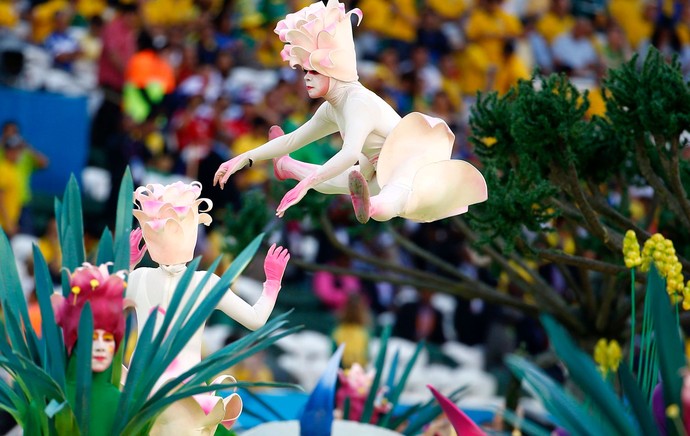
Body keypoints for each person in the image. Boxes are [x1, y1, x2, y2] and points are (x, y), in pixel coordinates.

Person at [214, 0, 487, 224]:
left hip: (413, 172)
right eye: (305, 71)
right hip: (375, 173)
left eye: (314, 71)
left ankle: (369, 206)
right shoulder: (332, 108)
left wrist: (305, 186)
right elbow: (292, 140)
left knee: (383, 191)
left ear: (332, 71)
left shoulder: (358, 102)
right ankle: (288, 166)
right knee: (334, 180)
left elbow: (349, 153)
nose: (306, 78)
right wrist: (240, 159)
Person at [127, 180, 290, 433]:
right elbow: (256, 320)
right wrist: (272, 284)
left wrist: (126, 266)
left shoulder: (138, 278)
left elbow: (99, 308)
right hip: (180, 392)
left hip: (142, 391)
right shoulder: (203, 282)